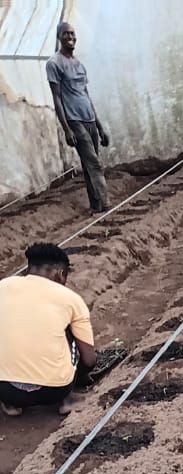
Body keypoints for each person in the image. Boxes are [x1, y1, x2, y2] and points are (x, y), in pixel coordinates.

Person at [0, 243, 97, 418]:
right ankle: (68, 399)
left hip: (4, 389)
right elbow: (89, 360)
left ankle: (10, 403)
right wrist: (81, 376)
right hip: (53, 391)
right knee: (69, 332)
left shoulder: (3, 286)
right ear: (61, 274)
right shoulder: (71, 299)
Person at [46, 22, 110, 213]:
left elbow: (86, 96)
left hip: (89, 119)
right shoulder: (54, 63)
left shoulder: (79, 64)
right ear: (59, 37)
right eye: (66, 34)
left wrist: (99, 127)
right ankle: (105, 204)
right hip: (74, 121)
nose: (70, 37)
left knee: (90, 163)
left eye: (72, 33)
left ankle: (95, 204)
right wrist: (66, 129)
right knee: (94, 163)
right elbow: (57, 98)